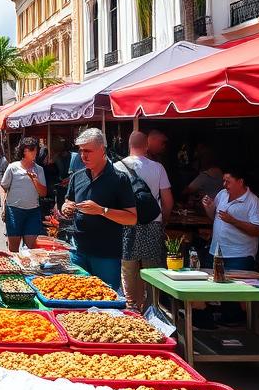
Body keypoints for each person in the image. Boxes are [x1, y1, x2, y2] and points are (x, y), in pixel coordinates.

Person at [59, 128, 136, 290]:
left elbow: (132, 218)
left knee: (105, 305)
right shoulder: (77, 176)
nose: (83, 156)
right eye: (81, 151)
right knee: (76, 299)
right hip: (78, 250)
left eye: (88, 151)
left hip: (106, 255)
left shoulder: (119, 179)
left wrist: (102, 210)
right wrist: (66, 207)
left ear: (102, 150)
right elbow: (68, 201)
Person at [116, 131, 174, 312]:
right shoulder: (157, 167)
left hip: (126, 222)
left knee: (128, 267)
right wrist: (163, 220)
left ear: (129, 145)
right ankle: (152, 308)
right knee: (153, 269)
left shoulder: (117, 166)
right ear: (146, 146)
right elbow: (168, 200)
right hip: (152, 222)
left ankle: (130, 306)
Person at [201, 168, 259, 272]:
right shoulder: (222, 194)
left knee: (237, 287)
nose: (224, 184)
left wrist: (233, 221)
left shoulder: (254, 202)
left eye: (228, 181)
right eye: (224, 181)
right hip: (215, 252)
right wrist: (209, 207)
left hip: (239, 256)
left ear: (240, 182)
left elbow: (258, 231)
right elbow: (215, 218)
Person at [0, 136, 47, 252]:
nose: (34, 152)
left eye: (35, 149)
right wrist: (3, 206)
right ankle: (14, 270)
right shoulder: (13, 167)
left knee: (32, 249)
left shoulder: (39, 169)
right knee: (13, 250)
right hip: (14, 210)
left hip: (33, 211)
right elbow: (3, 186)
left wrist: (34, 180)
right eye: (31, 150)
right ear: (23, 151)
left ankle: (28, 269)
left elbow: (43, 193)